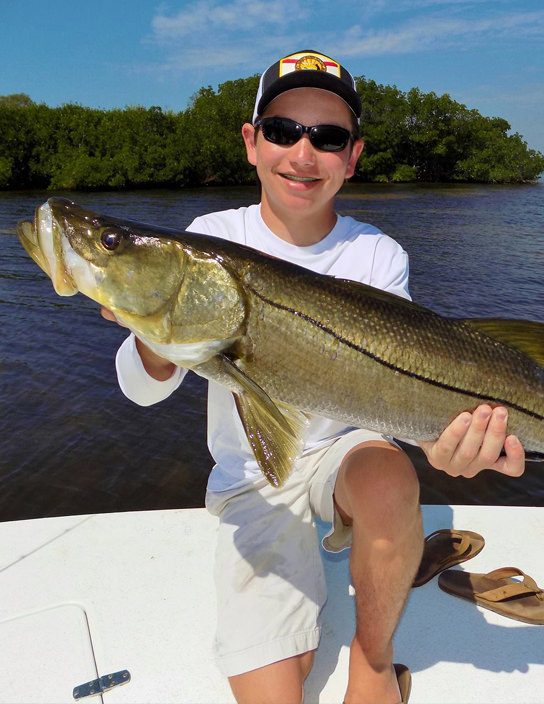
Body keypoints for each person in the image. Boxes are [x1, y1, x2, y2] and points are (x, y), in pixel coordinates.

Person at [102, 50, 525, 704]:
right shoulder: (209, 236)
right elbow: (141, 386)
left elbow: (397, 400)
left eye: (328, 137)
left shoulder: (377, 252)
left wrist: (453, 448)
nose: (303, 151)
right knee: (280, 685)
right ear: (251, 141)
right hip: (251, 480)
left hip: (344, 452)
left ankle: (375, 661)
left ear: (352, 157)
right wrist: (156, 336)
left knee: (391, 478)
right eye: (282, 130)